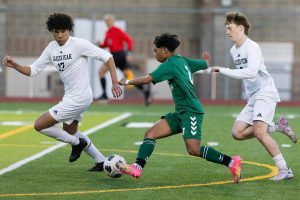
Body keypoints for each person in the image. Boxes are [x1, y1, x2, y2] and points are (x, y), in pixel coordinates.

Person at [2, 13, 122, 172]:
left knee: (40, 125)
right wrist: (15, 65)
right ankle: (100, 161)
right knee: (71, 131)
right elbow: (33, 70)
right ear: (51, 31)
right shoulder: (51, 48)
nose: (60, 35)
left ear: (69, 30)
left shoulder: (79, 44)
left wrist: (114, 81)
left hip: (80, 97)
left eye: (63, 31)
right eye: (56, 31)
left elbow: (107, 57)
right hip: (71, 96)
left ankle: (77, 144)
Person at [118, 33, 242, 183]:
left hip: (191, 111)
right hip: (180, 112)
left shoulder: (169, 64)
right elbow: (204, 64)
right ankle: (137, 167)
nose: (155, 53)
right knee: (150, 133)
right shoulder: (182, 60)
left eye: (156, 50)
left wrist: (127, 82)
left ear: (165, 50)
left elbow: (147, 79)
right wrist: (206, 57)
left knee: (193, 150)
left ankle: (232, 162)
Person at [210, 12, 297, 181]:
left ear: (241, 28)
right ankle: (278, 127)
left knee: (259, 132)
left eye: (230, 28)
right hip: (254, 97)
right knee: (237, 132)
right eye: (226, 28)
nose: (227, 32)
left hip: (265, 92)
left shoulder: (253, 47)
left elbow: (250, 73)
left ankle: (285, 169)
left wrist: (222, 69)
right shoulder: (233, 50)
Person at [97, 14, 151, 105]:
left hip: (120, 56)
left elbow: (129, 40)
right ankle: (145, 91)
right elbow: (107, 44)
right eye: (106, 21)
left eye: (109, 20)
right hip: (114, 56)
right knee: (128, 79)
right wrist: (100, 45)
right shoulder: (108, 32)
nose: (107, 22)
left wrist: (129, 53)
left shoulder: (117, 30)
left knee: (103, 72)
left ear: (113, 21)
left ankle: (104, 95)